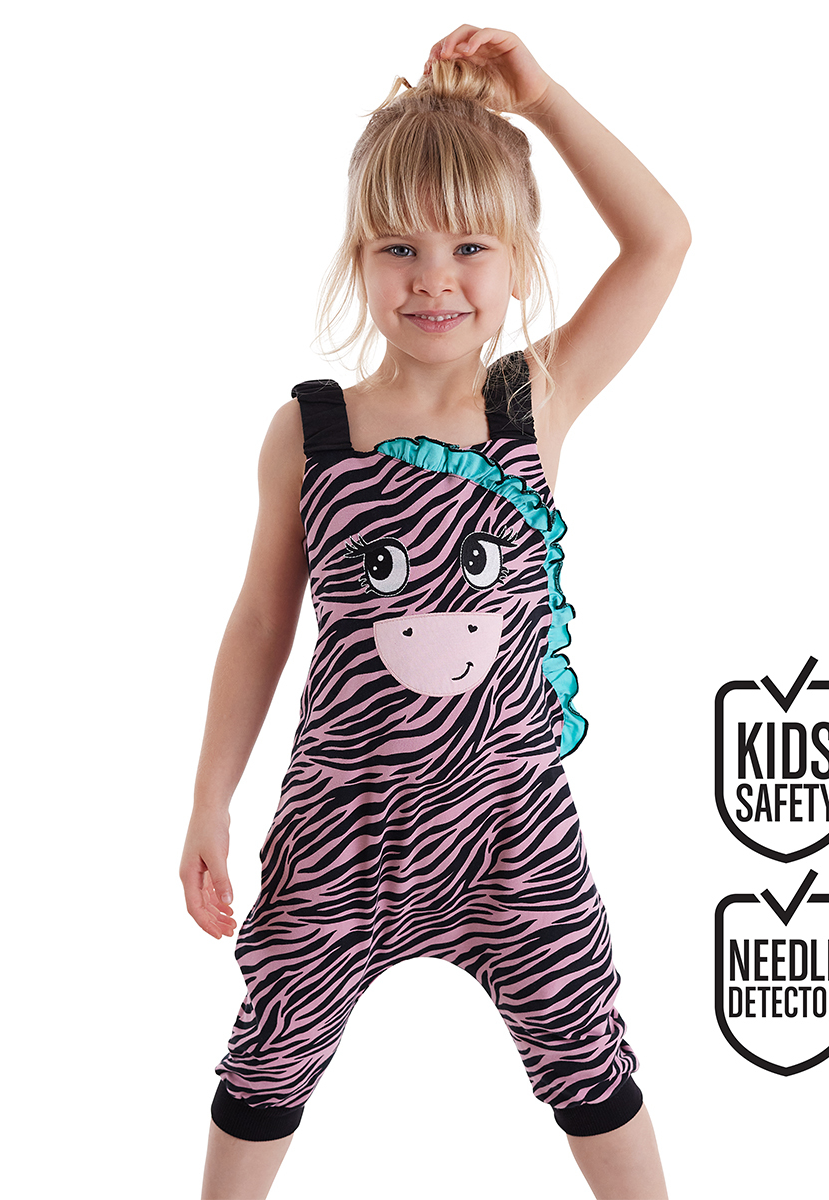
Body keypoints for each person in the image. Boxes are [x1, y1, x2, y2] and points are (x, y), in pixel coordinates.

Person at [180, 23, 689, 1200]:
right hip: (340, 829)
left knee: (587, 1050)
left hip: (514, 827)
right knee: (269, 1054)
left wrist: (543, 98)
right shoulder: (310, 432)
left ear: (516, 257)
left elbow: (663, 240)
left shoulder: (533, 401)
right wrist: (209, 797)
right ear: (359, 258)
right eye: (399, 247)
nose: (434, 278)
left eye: (471, 246)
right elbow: (260, 623)